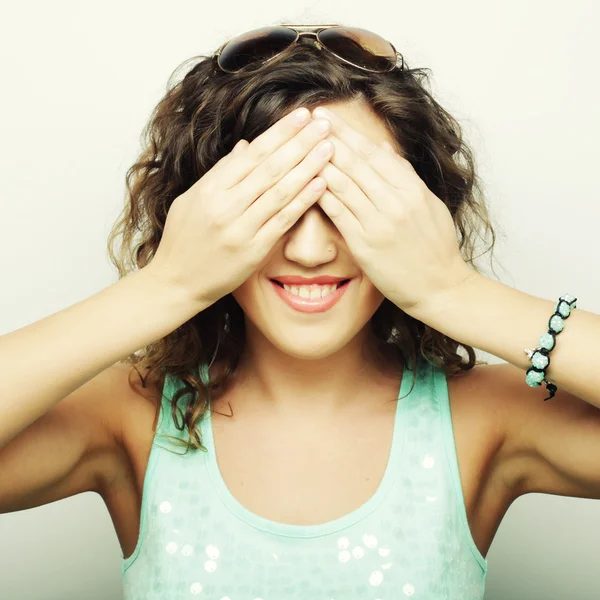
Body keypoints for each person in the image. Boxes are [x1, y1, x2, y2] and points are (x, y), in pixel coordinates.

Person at [3, 21, 600, 600]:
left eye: (349, 198)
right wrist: (170, 284)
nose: (310, 250)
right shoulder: (131, 418)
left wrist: (451, 289)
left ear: (420, 212)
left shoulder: (483, 422)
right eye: (272, 201)